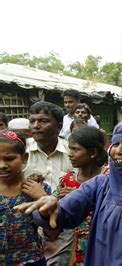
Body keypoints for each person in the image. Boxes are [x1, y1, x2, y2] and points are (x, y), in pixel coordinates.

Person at [15, 119, 122, 265]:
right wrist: (48, 209)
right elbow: (63, 215)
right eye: (116, 144)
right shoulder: (100, 185)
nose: (119, 150)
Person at [23, 101, 75, 264]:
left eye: (43, 121)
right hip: (27, 223)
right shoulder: (21, 151)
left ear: (59, 127)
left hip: (65, 223)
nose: (36, 126)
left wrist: (75, 191)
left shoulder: (73, 151)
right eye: (32, 121)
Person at [57, 127, 107, 265]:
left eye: (76, 149)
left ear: (93, 152)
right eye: (69, 149)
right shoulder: (66, 181)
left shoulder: (109, 178)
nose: (70, 154)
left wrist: (79, 196)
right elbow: (57, 216)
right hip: (74, 247)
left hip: (104, 242)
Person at [0, 130, 51, 265]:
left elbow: (53, 233)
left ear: (25, 158)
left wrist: (42, 198)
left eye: (9, 159)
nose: (2, 165)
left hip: (31, 260)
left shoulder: (38, 189)